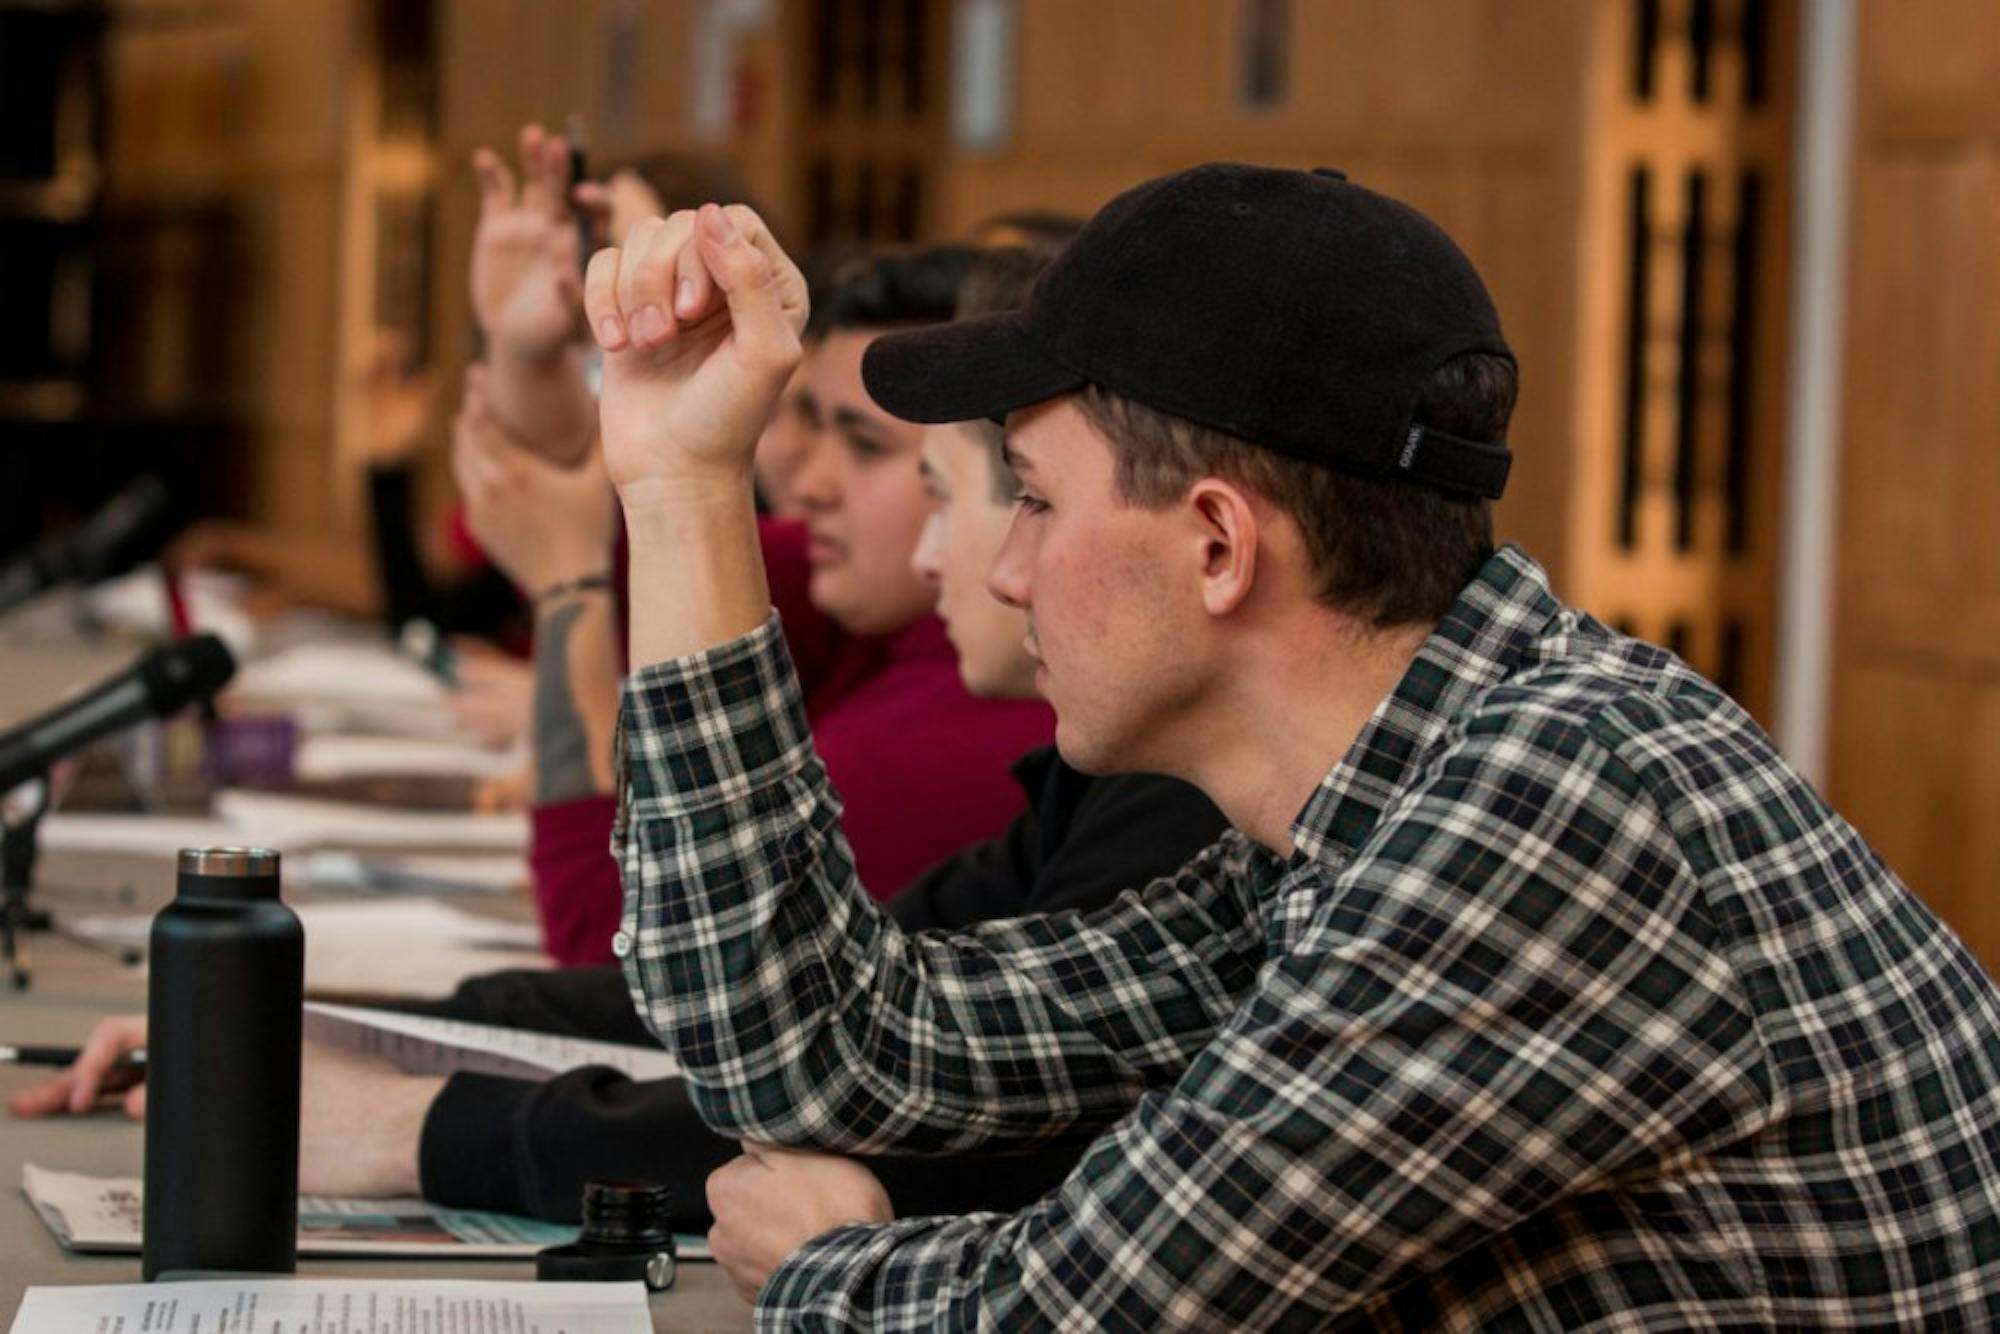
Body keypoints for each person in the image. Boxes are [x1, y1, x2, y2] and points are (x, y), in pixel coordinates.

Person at [577, 168, 2000, 1325]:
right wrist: (681, 482)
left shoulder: (1559, 804)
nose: (1005, 570)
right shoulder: (1371, 804)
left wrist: (827, 1269)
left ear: (1214, 544)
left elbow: (1065, 1317)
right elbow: (836, 1047)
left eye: (1032, 498)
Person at [11, 248, 1232, 1236]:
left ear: (1218, 546)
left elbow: (703, 984)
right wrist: (326, 1029)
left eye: (1023, 495)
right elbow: (853, 1028)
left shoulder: (1006, 749)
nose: (798, 482)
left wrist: (406, 1121)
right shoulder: (1149, 810)